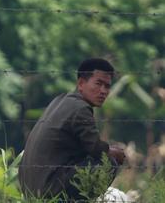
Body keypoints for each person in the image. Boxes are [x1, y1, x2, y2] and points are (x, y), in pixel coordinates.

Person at [18, 58, 125, 201]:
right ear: (81, 83)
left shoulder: (60, 100)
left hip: (31, 189)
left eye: (107, 86)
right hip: (49, 189)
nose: (103, 91)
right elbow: (96, 149)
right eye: (98, 84)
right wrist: (114, 152)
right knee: (109, 162)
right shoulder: (80, 108)